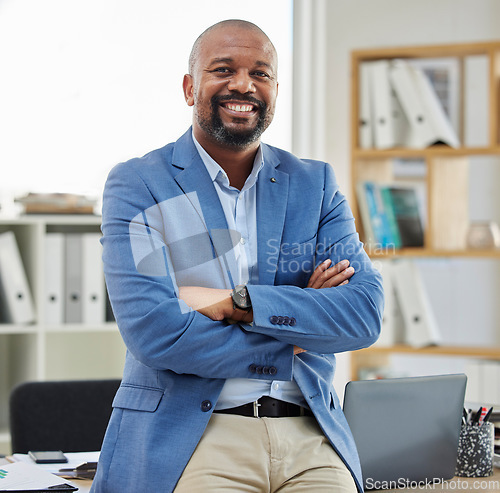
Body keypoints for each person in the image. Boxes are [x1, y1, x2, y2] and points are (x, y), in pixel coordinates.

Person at [91, 19, 384, 493]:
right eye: (222, 69)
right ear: (190, 88)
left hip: (310, 435)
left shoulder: (316, 183)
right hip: (197, 434)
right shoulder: (139, 183)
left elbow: (362, 316)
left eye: (261, 73)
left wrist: (236, 302)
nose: (243, 85)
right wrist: (296, 336)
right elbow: (154, 330)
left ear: (274, 90)